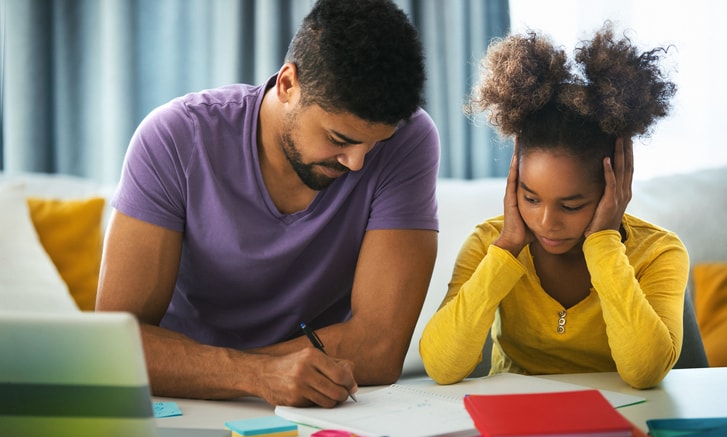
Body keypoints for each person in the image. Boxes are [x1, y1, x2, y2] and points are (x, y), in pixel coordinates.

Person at [96, 0, 439, 407]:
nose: (357, 162)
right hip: (181, 405)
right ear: (287, 84)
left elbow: (379, 349)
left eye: (373, 144)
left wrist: (203, 368)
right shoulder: (173, 138)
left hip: (315, 405)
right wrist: (256, 375)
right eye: (339, 140)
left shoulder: (410, 140)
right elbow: (116, 345)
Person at [419, 23, 686, 389]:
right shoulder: (489, 243)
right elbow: (440, 366)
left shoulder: (659, 253)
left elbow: (644, 372)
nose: (546, 222)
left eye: (572, 205)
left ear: (617, 188)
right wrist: (507, 250)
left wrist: (604, 242)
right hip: (515, 423)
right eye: (530, 198)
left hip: (620, 424)